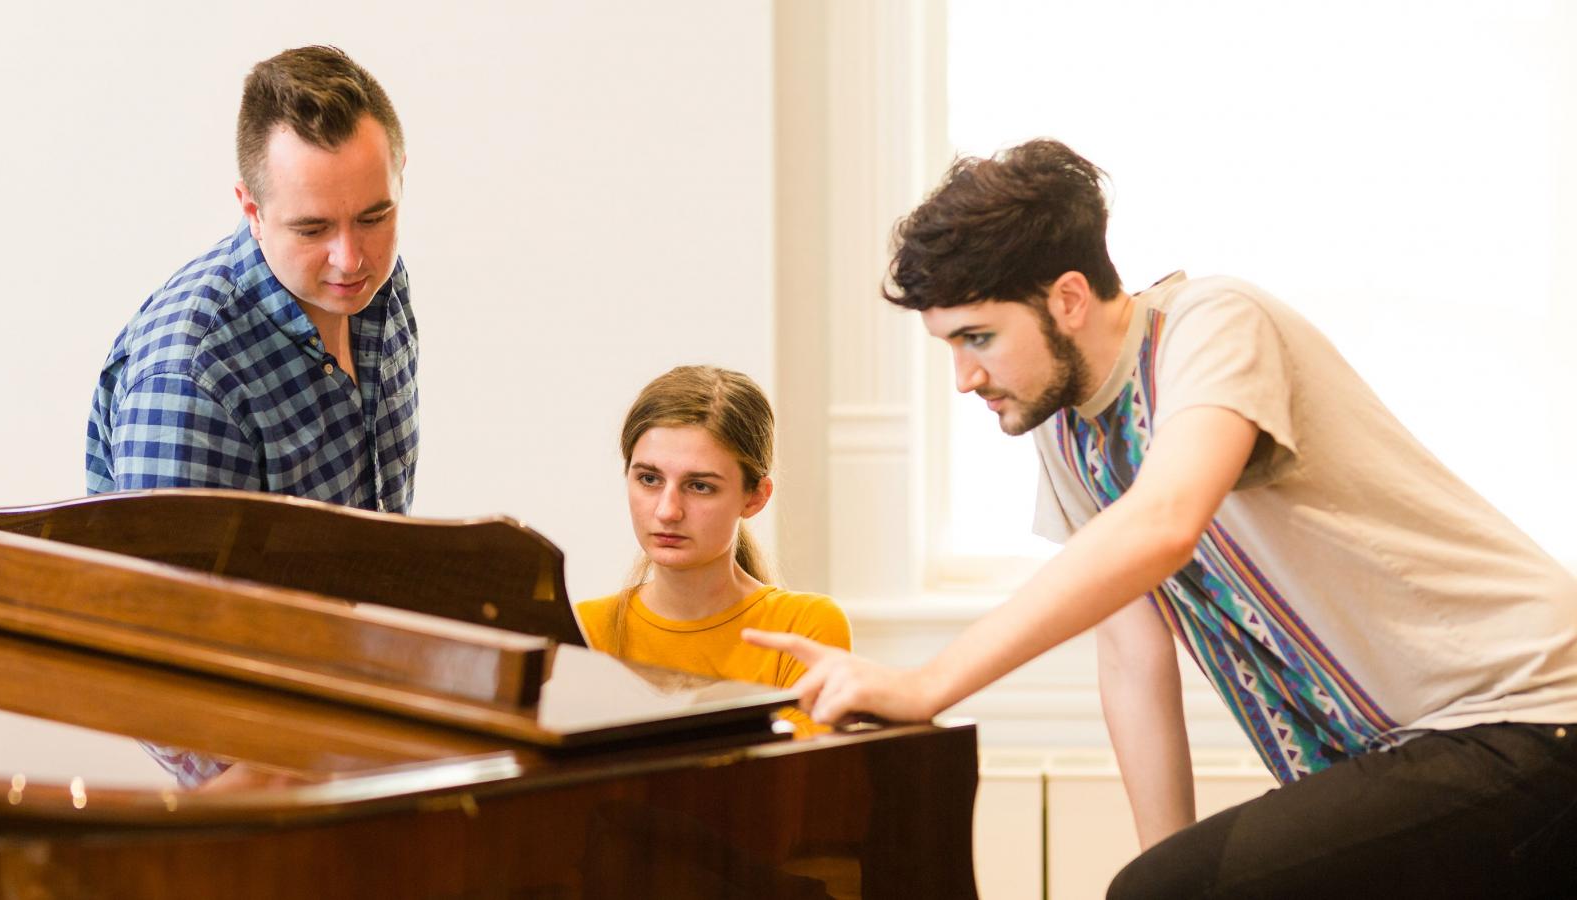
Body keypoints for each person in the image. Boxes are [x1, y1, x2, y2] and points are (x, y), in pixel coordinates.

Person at [747, 140, 1577, 897]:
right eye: (950, 347)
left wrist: (926, 681)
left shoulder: (1212, 324)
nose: (965, 377)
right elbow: (1133, 657)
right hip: (1414, 754)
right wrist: (1158, 870)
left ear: (1068, 298)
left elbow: (1165, 520)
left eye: (980, 338)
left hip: (1525, 713)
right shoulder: (1066, 434)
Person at [86, 45, 417, 514]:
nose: (350, 259)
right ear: (252, 211)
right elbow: (176, 591)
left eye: (373, 218)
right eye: (312, 228)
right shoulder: (189, 381)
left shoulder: (378, 285)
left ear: (398, 180)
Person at [579, 366, 851, 714]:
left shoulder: (803, 627)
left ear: (755, 497)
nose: (667, 511)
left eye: (700, 486)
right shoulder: (587, 630)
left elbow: (797, 769)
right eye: (649, 479)